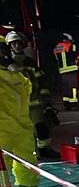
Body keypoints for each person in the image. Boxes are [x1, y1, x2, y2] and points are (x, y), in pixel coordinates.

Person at [0, 35, 53, 187]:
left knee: (26, 156)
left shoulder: (16, 71)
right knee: (3, 162)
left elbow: (28, 91)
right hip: (2, 126)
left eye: (3, 49)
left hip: (22, 124)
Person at [6, 31, 60, 159]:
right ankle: (25, 153)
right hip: (17, 104)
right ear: (10, 46)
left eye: (18, 44)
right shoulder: (8, 64)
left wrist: (47, 102)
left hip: (34, 101)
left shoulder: (29, 62)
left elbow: (40, 81)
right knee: (22, 131)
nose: (17, 46)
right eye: (14, 44)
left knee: (41, 127)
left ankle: (44, 149)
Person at [53, 33, 79, 111]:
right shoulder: (71, 46)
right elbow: (76, 55)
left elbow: (57, 59)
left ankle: (67, 105)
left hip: (62, 71)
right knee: (73, 88)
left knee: (65, 88)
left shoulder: (56, 48)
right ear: (68, 40)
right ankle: (74, 104)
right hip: (71, 70)